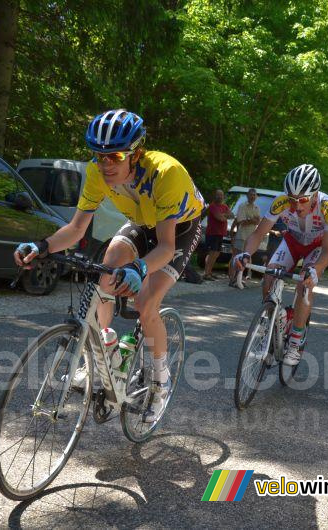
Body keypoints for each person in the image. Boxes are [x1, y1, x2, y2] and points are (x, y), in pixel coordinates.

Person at [14, 109, 205, 423]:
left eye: (114, 156)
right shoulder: (96, 173)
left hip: (179, 229)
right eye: (98, 156)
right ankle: (105, 351)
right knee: (106, 271)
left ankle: (160, 380)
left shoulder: (166, 173)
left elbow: (166, 247)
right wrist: (42, 246)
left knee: (145, 301)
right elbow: (76, 229)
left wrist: (140, 269)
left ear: (135, 153)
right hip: (141, 223)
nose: (105, 164)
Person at [232, 164, 328, 366]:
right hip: (292, 242)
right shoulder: (280, 202)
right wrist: (246, 253)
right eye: (292, 200)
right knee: (270, 275)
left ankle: (295, 342)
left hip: (316, 248)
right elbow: (257, 234)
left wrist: (315, 270)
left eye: (303, 200)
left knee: (304, 285)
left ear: (315, 196)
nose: (296, 206)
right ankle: (269, 324)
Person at [228, 188, 261, 287]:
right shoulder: (242, 206)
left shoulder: (257, 208)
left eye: (254, 195)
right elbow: (242, 221)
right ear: (247, 196)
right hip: (241, 236)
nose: (252, 196)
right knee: (236, 258)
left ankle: (239, 279)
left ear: (256, 196)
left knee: (244, 259)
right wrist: (252, 219)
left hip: (250, 238)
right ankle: (231, 279)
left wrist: (249, 219)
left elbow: (258, 221)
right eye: (251, 195)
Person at [203, 189, 233, 280]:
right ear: (214, 196)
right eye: (218, 195)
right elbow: (220, 218)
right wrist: (225, 215)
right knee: (212, 253)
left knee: (216, 253)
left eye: (221, 195)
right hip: (213, 233)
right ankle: (206, 274)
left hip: (220, 233)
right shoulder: (212, 206)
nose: (220, 197)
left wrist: (224, 215)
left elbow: (232, 215)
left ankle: (209, 272)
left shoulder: (224, 206)